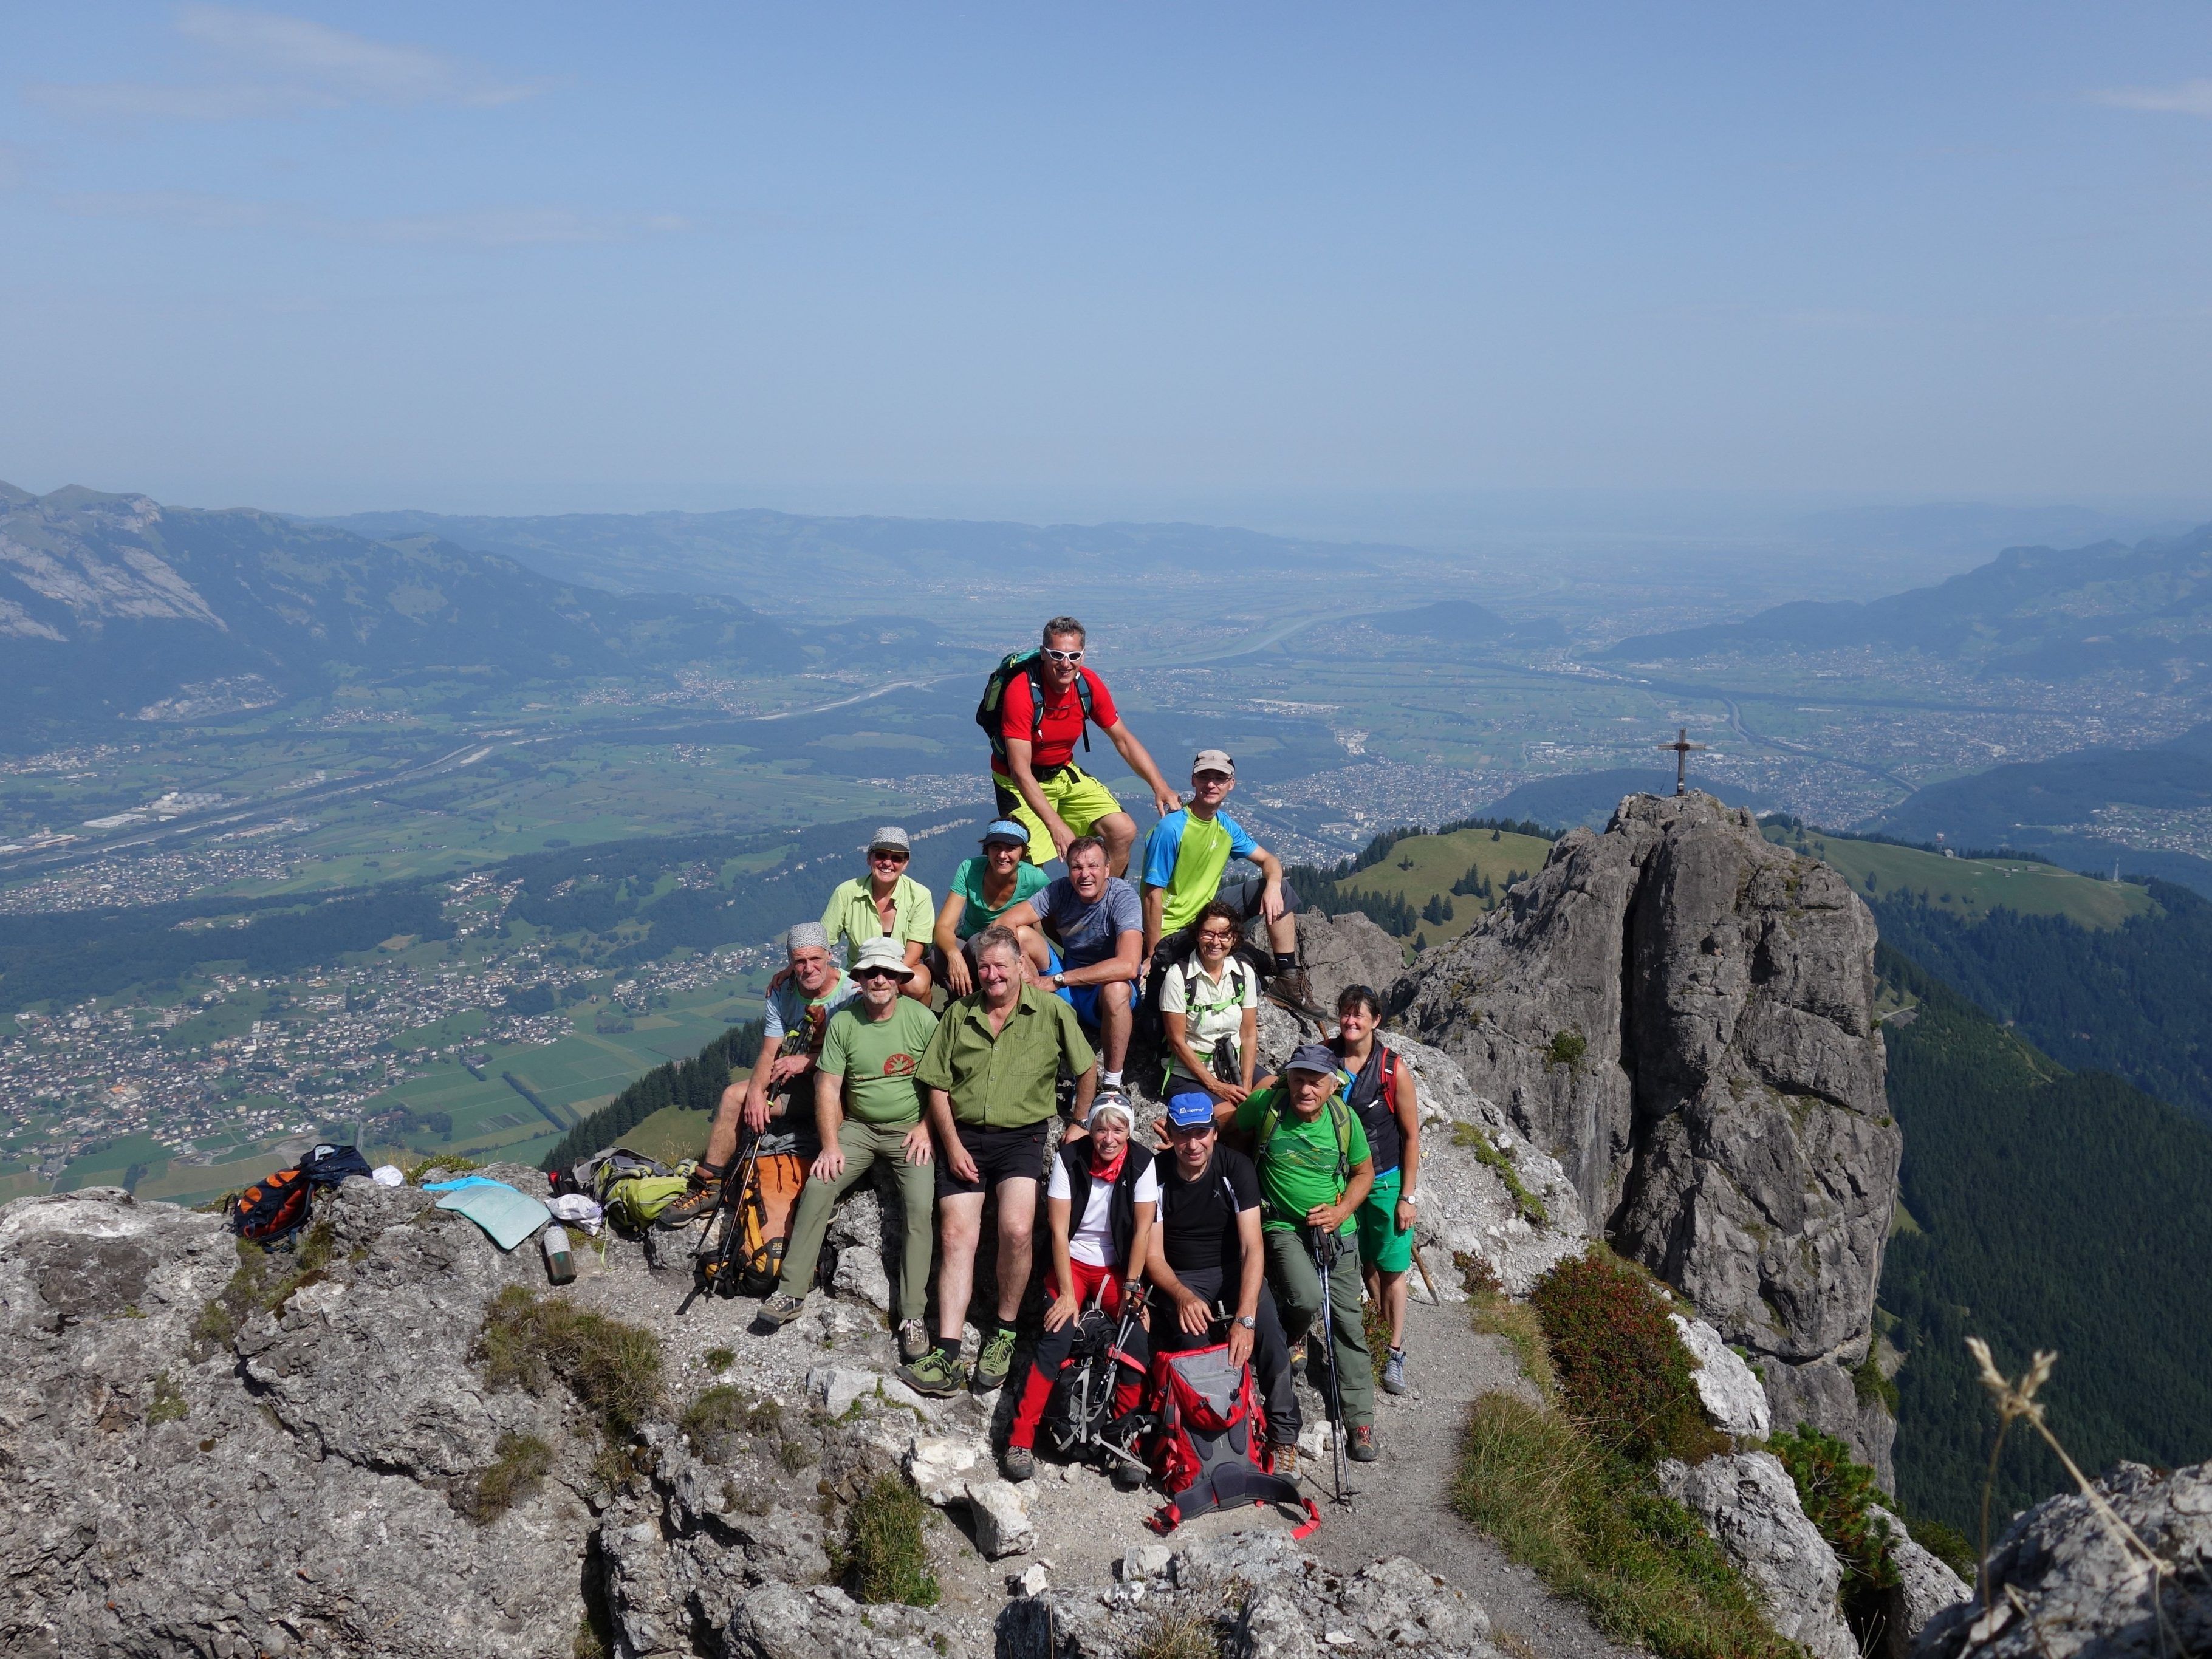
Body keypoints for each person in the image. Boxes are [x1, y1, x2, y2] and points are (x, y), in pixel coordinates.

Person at [901, 924, 1097, 1398]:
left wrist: (1080, 1120)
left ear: (1019, 967)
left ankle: (1003, 1333)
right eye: (983, 966)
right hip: (964, 1136)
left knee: (1015, 1229)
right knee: (955, 1235)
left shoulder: (1049, 1010)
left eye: (1000, 966)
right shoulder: (959, 1014)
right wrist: (951, 1145)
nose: (991, 975)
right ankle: (947, 1351)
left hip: (1021, 1139)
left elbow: (1087, 1065)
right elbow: (937, 1084)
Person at [755, 939, 939, 1361]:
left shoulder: (922, 1020)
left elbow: (940, 1082)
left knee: (918, 1206)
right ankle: (791, 1291)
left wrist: (926, 1128)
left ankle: (912, 1314)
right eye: (871, 972)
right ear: (858, 978)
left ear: (899, 979)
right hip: (857, 1126)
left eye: (888, 972)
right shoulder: (843, 1023)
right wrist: (832, 1144)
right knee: (819, 1186)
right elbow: (828, 1086)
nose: (879, 979)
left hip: (909, 1130)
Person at [1227, 1043, 1379, 1461]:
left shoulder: (1343, 1121)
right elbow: (1230, 1134)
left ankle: (1359, 1419)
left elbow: (1363, 1172)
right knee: (1307, 1298)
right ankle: (1295, 1330)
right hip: (1280, 1224)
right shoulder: (1269, 1105)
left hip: (1337, 1229)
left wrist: (1342, 1209)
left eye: (1315, 1080)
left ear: (1333, 1085)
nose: (1305, 1088)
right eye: (1298, 1078)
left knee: (1347, 1321)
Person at [1000, 1092, 1156, 1484]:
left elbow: (1141, 1229)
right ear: (1091, 1129)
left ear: (1128, 1131)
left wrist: (1133, 1287)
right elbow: (1056, 1228)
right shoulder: (1071, 1157)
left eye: (1117, 1128)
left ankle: (1125, 1442)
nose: (1108, 1137)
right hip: (1071, 1261)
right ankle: (1020, 1440)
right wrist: (1067, 1293)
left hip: (1115, 1268)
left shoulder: (1142, 1162)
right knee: (1057, 1335)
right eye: (1101, 1127)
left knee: (1133, 1337)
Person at [1144, 1089, 1302, 1474]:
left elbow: (1252, 1248)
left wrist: (1246, 1317)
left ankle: (1283, 1437)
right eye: (1184, 1134)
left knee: (1269, 1336)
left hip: (1235, 1271)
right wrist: (1181, 1296)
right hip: (1182, 1277)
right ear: (1171, 1133)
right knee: (1194, 1348)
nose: (1193, 1144)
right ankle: (1210, 1446)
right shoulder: (1155, 1173)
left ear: (1215, 1132)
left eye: (1202, 1132)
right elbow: (1152, 1255)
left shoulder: (1237, 1168)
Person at [664, 923, 855, 1225]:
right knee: (733, 1096)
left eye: (815, 959)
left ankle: (826, 1188)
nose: (808, 968)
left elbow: (851, 1058)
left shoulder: (850, 993)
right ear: (790, 963)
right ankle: (710, 1183)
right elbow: (769, 1052)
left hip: (834, 1086)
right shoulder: (782, 992)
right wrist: (755, 1093)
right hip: (794, 1087)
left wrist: (807, 1061)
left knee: (823, 1080)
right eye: (800, 961)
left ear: (830, 955)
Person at [989, 615, 1180, 875]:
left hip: (1062, 772)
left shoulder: (1087, 684)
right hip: (1019, 782)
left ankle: (1107, 905)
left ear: (1083, 655)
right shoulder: (1022, 692)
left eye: (1074, 655)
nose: (1066, 664)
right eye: (1057, 655)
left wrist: (1159, 785)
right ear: (1044, 654)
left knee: (1123, 831)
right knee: (1030, 865)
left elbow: (1123, 739)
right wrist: (1055, 825)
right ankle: (1041, 915)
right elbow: (1020, 771)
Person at [1139, 749, 1313, 1012]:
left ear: (1231, 784)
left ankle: (1288, 979)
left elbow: (1270, 862)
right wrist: (1154, 955)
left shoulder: (1225, 826)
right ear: (1193, 781)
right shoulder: (1171, 829)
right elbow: (1152, 896)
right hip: (1174, 928)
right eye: (1204, 777)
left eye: (1219, 778)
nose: (1211, 784)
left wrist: (1274, 887)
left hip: (1206, 911)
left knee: (1281, 889)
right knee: (1247, 973)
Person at [996, 835, 1143, 1125]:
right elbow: (1005, 923)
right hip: (1070, 981)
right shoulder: (1060, 891)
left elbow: (1127, 965)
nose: (1084, 874)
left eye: (1093, 866)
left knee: (1116, 990)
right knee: (1022, 937)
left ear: (1107, 869)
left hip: (1101, 988)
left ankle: (1111, 1084)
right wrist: (1024, 970)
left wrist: (1059, 980)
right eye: (1076, 867)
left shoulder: (1123, 897)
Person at [1327, 985, 1422, 1397]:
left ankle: (1395, 1349)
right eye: (1345, 1014)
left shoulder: (1391, 1068)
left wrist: (1408, 1196)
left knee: (1393, 1267)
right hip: (1341, 1180)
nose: (1350, 1022)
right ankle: (1380, 1334)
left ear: (1375, 1020)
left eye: (1358, 1016)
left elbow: (1411, 1135)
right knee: (1363, 1260)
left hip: (1384, 1180)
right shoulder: (1325, 1057)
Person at [932, 819, 1052, 996]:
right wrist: (953, 955)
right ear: (987, 849)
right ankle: (963, 1002)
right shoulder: (969, 869)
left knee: (979, 944)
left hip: (1007, 949)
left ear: (1022, 852)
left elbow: (1057, 919)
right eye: (996, 847)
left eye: (1011, 848)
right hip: (969, 944)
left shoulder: (1035, 879)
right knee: (938, 955)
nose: (1002, 855)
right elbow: (943, 927)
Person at [1156, 899, 1258, 1105]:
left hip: (1234, 1065)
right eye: (1208, 933)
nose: (1215, 942)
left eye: (1224, 935)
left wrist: (1246, 1086)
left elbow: (1248, 1033)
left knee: (1274, 1104)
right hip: (1188, 1073)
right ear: (1197, 934)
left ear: (1234, 939)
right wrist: (1216, 1086)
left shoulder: (1243, 973)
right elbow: (1177, 1041)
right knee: (1234, 1123)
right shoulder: (1178, 977)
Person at [820, 826, 934, 1001]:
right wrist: (794, 968)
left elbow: (914, 951)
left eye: (896, 858)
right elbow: (822, 943)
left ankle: (920, 1025)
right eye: (881, 855)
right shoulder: (845, 893)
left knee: (917, 984)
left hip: (903, 968)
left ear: (905, 864)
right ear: (869, 858)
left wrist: (884, 981)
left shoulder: (920, 895)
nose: (887, 863)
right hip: (860, 972)